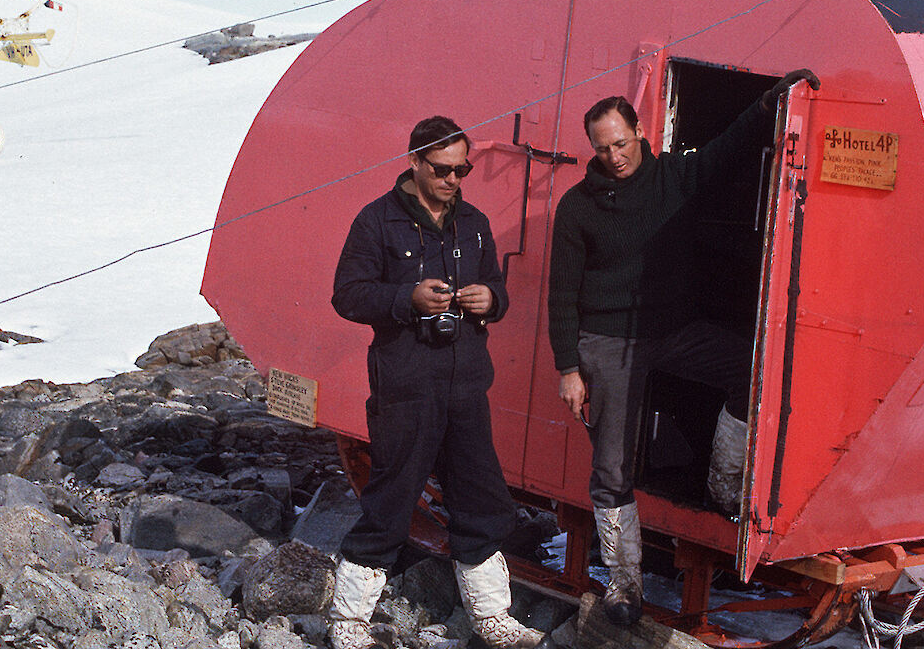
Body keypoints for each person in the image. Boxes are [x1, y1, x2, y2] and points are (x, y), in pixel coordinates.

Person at [548, 69, 820, 625]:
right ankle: (624, 588)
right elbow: (561, 296)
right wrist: (568, 369)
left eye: (620, 143)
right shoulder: (578, 207)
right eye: (602, 149)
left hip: (672, 330)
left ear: (640, 133)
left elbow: (728, 147)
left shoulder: (673, 175)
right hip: (608, 339)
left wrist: (771, 101)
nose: (614, 156)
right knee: (612, 466)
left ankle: (725, 488)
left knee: (752, 369)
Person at [327, 116, 543, 649]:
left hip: (467, 384)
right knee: (391, 500)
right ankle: (347, 622)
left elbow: (498, 286)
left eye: (462, 169)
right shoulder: (375, 221)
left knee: (482, 498)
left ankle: (492, 616)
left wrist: (489, 301)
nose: (454, 179)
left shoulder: (473, 221)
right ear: (415, 162)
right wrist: (407, 299)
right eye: (443, 169)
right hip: (405, 385)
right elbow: (347, 295)